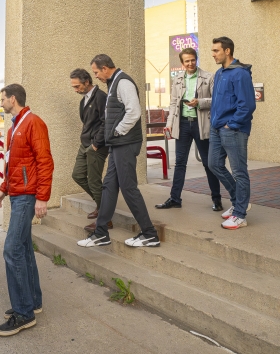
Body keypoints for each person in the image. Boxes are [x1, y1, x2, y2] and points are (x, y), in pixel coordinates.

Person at [77, 54, 160, 249]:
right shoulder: (113, 83)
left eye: (96, 72)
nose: (95, 76)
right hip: (117, 144)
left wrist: (117, 131)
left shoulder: (123, 82)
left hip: (125, 143)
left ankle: (149, 234)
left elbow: (134, 112)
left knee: (129, 188)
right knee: (109, 187)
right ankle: (101, 233)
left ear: (105, 68)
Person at [0, 84, 53, 337]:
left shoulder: (33, 122)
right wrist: (3, 188)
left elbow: (45, 161)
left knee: (12, 249)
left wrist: (42, 197)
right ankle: (33, 302)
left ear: (13, 99)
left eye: (3, 99)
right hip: (17, 194)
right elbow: (12, 164)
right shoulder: (14, 127)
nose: (1, 103)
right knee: (24, 249)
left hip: (28, 196)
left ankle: (23, 313)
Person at [155, 47, 223, 211]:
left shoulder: (208, 77)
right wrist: (169, 123)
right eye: (187, 61)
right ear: (182, 63)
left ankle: (217, 200)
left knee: (208, 163)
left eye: (193, 59)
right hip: (183, 124)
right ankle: (175, 198)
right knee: (180, 163)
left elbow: (216, 100)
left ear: (196, 59)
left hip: (201, 124)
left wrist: (199, 102)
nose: (190, 63)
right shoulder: (178, 79)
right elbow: (173, 104)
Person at [208, 37, 256, 230]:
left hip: (233, 129)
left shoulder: (240, 74)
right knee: (213, 164)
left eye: (216, 51)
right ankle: (239, 201)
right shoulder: (220, 73)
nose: (213, 54)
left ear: (227, 51)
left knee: (239, 172)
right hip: (217, 128)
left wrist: (232, 124)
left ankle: (240, 214)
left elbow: (247, 105)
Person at [69, 68, 110, 232]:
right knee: (77, 175)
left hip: (96, 146)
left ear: (87, 82)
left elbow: (106, 122)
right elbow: (87, 123)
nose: (75, 90)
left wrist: (96, 144)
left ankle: (105, 219)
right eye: (73, 87)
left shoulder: (101, 98)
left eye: (77, 86)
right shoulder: (83, 101)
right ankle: (102, 206)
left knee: (94, 181)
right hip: (85, 144)